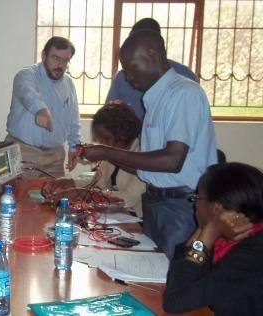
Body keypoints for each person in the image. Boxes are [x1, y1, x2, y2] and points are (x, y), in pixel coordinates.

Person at [82, 30, 217, 259]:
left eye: (132, 67)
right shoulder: (156, 99)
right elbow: (147, 168)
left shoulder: (183, 93)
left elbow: (172, 160)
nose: (127, 77)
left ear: (152, 54)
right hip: (155, 204)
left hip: (180, 207)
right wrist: (106, 155)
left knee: (174, 278)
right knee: (152, 277)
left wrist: (106, 151)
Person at [163, 162, 263, 315]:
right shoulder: (230, 236)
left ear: (216, 207)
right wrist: (204, 228)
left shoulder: (250, 255)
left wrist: (209, 231)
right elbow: (183, 267)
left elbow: (175, 300)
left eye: (197, 197)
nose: (195, 204)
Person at [47, 101, 146, 217]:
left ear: (122, 134)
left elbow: (130, 197)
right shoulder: (111, 153)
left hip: (135, 219)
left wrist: (83, 193)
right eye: (99, 139)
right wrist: (70, 182)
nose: (102, 143)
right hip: (113, 215)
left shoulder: (142, 155)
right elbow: (97, 184)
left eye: (105, 138)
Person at [5, 36, 81, 178]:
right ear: (44, 55)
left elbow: (73, 120)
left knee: (55, 198)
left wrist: (74, 147)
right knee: (22, 198)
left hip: (56, 157)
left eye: (65, 60)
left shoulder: (69, 84)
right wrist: (41, 109)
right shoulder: (26, 75)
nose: (60, 65)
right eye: (55, 58)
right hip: (24, 153)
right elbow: (27, 92)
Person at [105, 18, 199, 119]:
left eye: (134, 66)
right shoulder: (123, 78)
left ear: (152, 50)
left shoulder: (185, 90)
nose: (129, 77)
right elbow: (108, 117)